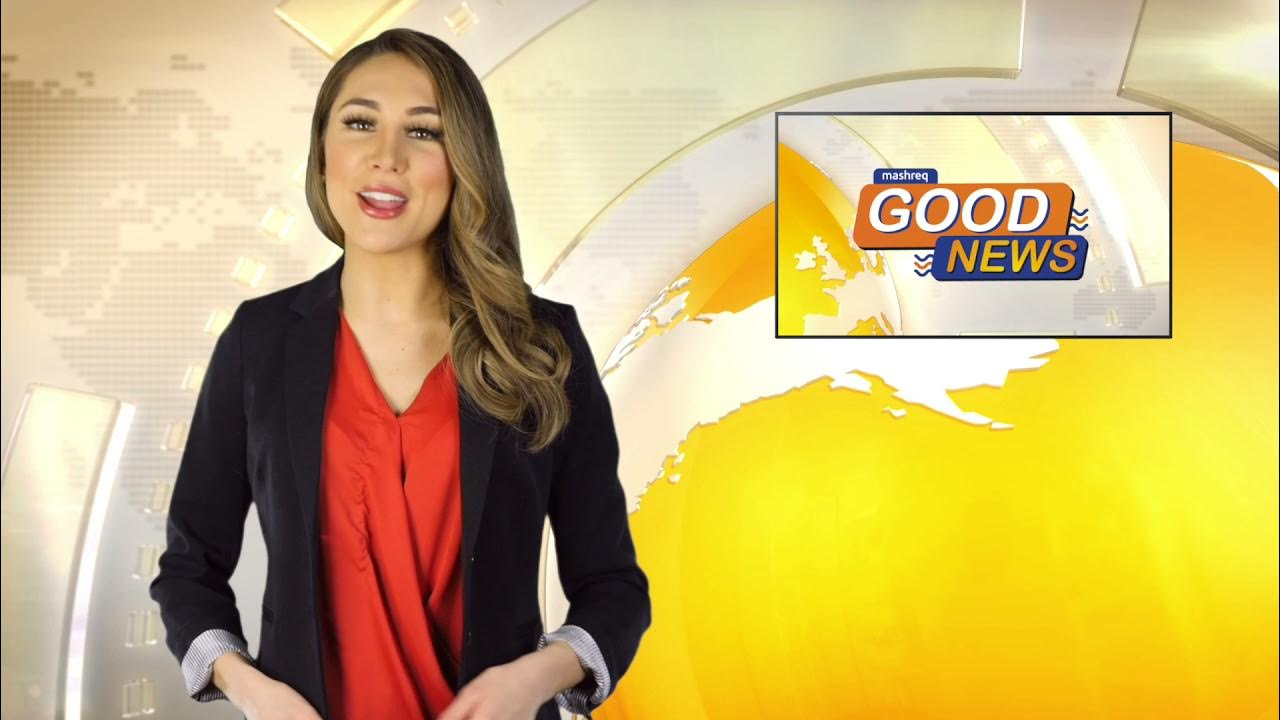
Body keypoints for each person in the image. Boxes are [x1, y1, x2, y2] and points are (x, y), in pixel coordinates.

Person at [149, 28, 650, 720]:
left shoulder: (540, 345)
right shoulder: (258, 342)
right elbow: (188, 569)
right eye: (360, 123)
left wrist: (533, 679)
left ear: (464, 161)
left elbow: (613, 587)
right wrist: (254, 691)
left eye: (423, 132)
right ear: (323, 152)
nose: (386, 156)